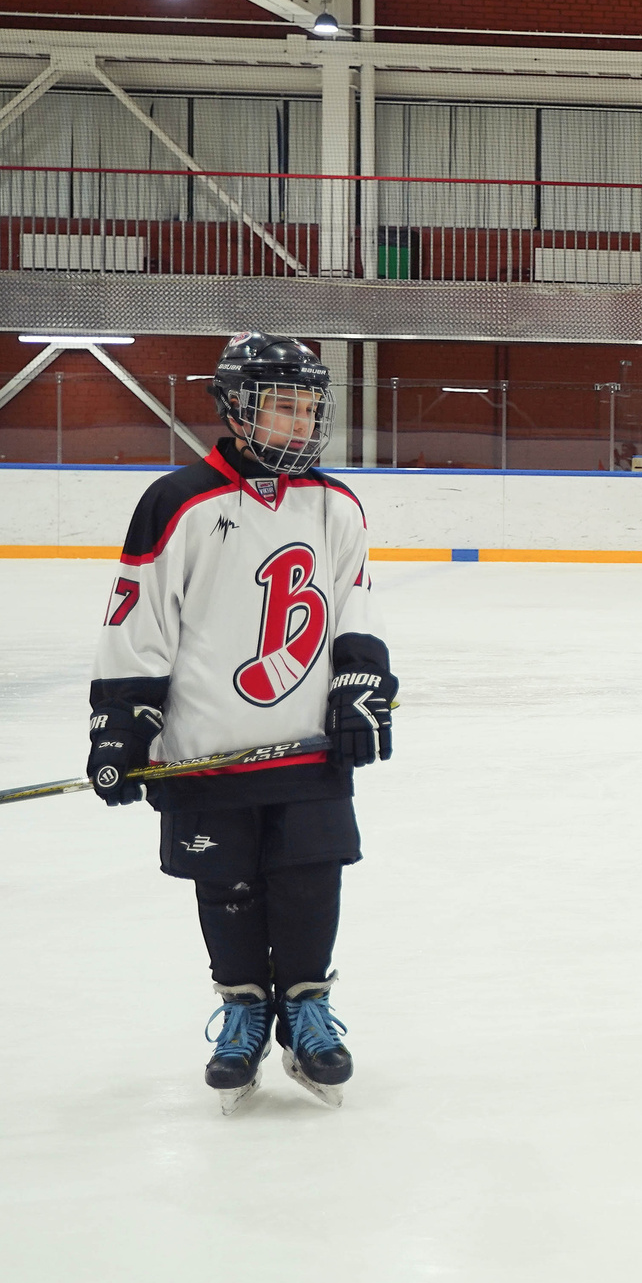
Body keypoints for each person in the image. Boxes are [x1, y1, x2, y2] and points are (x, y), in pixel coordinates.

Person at [87, 333, 398, 1112]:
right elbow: (140, 621)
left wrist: (362, 682)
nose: (299, 423)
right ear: (235, 407)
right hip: (206, 751)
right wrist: (119, 726)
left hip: (305, 746)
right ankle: (243, 1008)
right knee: (224, 885)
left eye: (308, 408)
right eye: (281, 407)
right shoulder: (178, 500)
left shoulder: (335, 504)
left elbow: (355, 604)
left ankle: (305, 1007)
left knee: (308, 877)